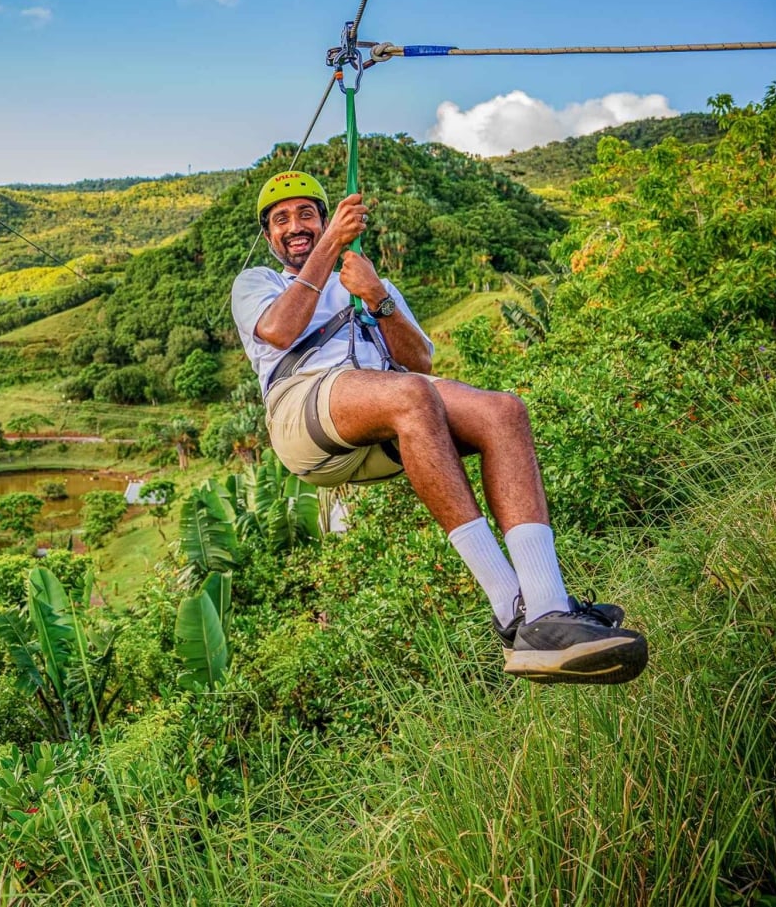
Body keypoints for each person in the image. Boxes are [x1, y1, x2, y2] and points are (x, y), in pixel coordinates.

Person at [231, 170, 646, 684]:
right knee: (411, 394)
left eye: (307, 215)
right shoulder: (257, 283)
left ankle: (545, 613)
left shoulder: (366, 279)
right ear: (270, 237)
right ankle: (506, 601)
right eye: (281, 220)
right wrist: (332, 247)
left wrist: (377, 297)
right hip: (303, 411)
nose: (295, 226)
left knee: (504, 411)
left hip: (387, 411)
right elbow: (279, 329)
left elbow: (419, 359)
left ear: (321, 219)